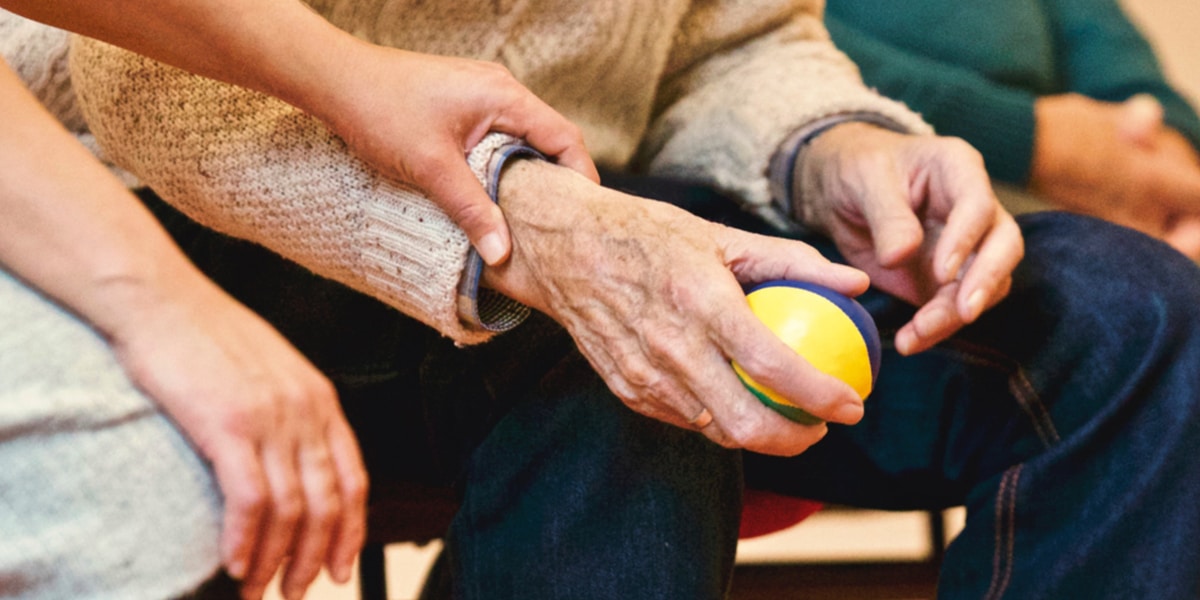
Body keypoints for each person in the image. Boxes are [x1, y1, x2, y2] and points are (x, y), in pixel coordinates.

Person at [26, 2, 1200, 600]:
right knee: (620, 360)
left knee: (1125, 314)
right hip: (215, 207)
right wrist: (524, 223)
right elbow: (154, 79)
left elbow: (729, 39)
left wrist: (833, 150)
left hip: (614, 201)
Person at [0, 2, 595, 598]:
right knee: (147, 488)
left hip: (475, 188)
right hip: (131, 180)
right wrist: (165, 305)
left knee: (622, 363)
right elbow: (133, 78)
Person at [823, 0, 1200, 258]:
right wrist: (1033, 140)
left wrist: (1167, 141)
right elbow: (785, 46)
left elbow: (1110, 43)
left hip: (1106, 184)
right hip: (894, 187)